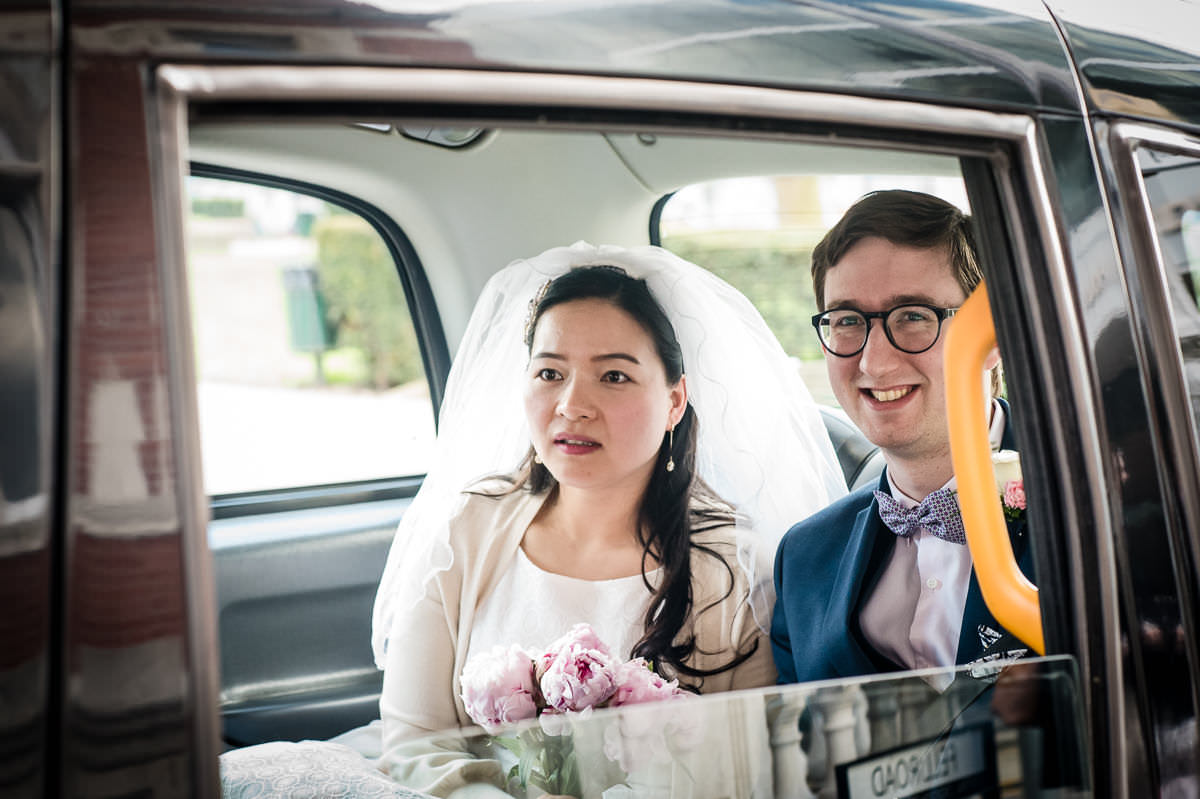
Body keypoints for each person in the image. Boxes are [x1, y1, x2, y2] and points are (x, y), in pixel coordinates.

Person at [372, 242, 846, 797]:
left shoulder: (732, 571)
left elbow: (747, 770)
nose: (572, 404)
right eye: (550, 373)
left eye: (614, 377)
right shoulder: (468, 529)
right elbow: (412, 738)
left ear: (675, 401)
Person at [771, 190, 1034, 687]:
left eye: (913, 315)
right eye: (847, 321)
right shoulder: (804, 558)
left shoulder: (1102, 507)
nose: (874, 363)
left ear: (993, 337)